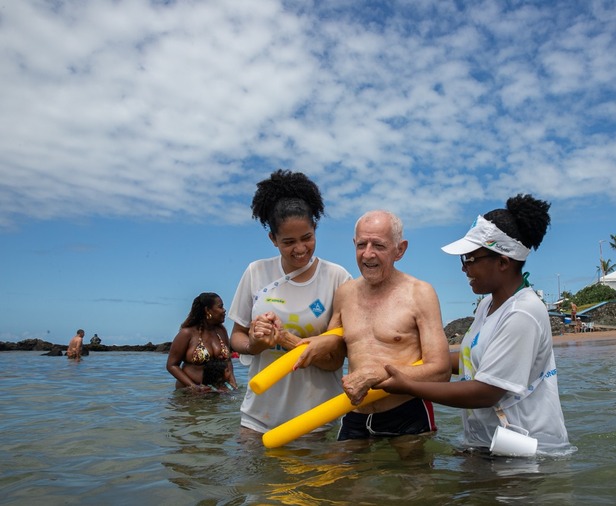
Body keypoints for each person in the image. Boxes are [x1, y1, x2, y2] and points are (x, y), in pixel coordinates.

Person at [378, 195, 572, 455]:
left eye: (470, 260)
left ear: (503, 262)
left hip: (527, 453)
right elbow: (472, 357)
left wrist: (408, 386)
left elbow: (486, 393)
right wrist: (422, 361)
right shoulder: (487, 306)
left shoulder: (522, 313)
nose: (464, 269)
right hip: (488, 445)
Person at [293, 210, 451, 441]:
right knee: (337, 475)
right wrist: (285, 339)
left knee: (415, 477)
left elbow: (441, 370)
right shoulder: (345, 294)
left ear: (400, 249)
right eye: (361, 245)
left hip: (406, 413)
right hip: (355, 413)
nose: (368, 254)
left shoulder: (420, 293)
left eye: (378, 245)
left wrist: (376, 374)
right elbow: (333, 362)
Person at [228, 169, 352, 435]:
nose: (300, 249)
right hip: (258, 417)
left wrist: (285, 339)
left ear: (315, 228)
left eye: (307, 238)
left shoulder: (337, 277)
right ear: (272, 239)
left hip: (318, 418)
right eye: (288, 242)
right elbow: (236, 337)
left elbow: (335, 359)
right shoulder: (256, 272)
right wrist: (255, 343)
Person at [166, 292, 237, 392]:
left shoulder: (221, 331)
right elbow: (171, 365)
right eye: (220, 307)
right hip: (189, 395)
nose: (224, 310)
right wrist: (194, 387)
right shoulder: (187, 333)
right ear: (207, 310)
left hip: (215, 393)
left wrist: (232, 382)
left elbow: (227, 361)